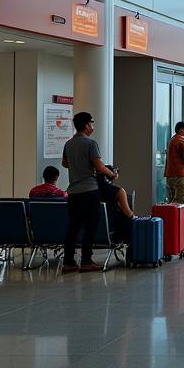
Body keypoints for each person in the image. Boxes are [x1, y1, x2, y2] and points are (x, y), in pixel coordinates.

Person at [60, 112, 115, 273]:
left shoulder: (68, 144)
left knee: (73, 227)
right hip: (89, 190)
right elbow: (99, 167)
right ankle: (86, 261)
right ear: (86, 125)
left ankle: (68, 262)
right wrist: (111, 174)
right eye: (92, 122)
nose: (93, 125)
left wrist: (78, 165)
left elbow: (65, 164)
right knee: (90, 226)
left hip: (73, 192)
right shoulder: (91, 143)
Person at [164, 121, 184, 204]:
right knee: (180, 200)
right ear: (181, 130)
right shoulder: (182, 142)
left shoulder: (171, 141)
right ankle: (178, 217)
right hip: (180, 174)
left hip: (170, 175)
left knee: (172, 200)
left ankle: (171, 216)